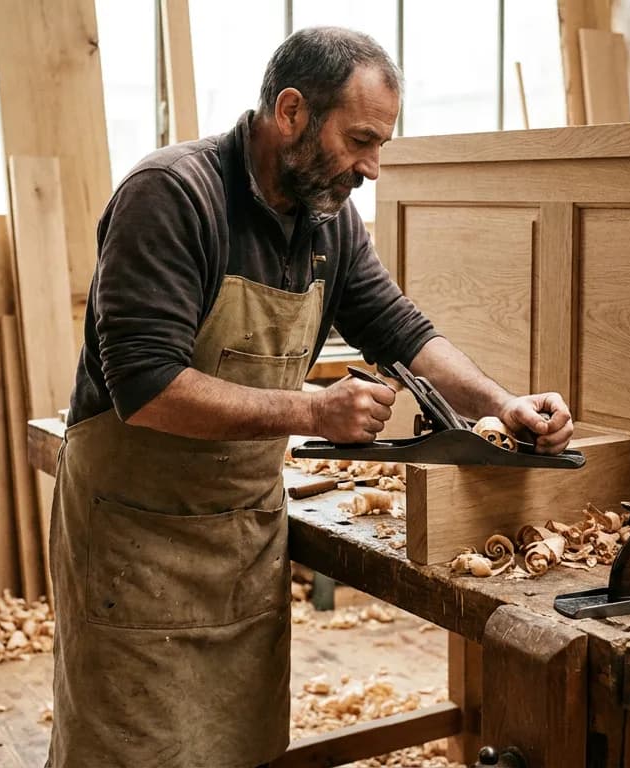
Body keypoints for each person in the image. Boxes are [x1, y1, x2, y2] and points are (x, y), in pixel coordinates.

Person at [46, 26, 574, 768]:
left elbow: (398, 329)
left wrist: (499, 402)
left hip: (240, 540)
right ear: (291, 111)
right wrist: (313, 412)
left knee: (243, 746)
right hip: (136, 540)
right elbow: (147, 386)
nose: (374, 166)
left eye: (381, 144)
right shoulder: (172, 195)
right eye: (360, 139)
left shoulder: (328, 219)